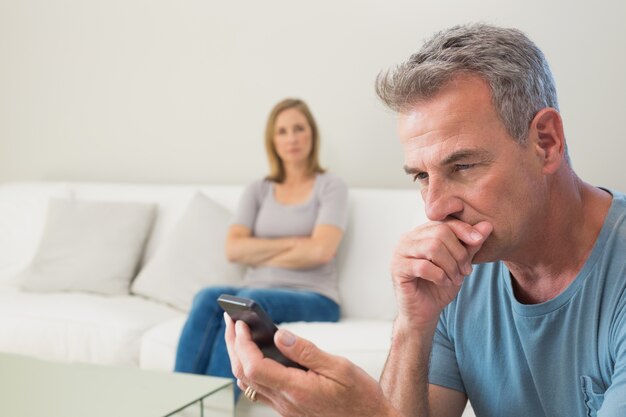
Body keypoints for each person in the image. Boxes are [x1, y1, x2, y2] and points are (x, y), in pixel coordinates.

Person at [224, 23, 626, 416]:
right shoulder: (460, 272)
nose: (434, 209)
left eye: (463, 165)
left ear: (546, 142)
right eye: (421, 176)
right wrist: (412, 328)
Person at [174, 98, 349, 393]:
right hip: (252, 291)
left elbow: (321, 251)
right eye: (282, 131)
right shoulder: (258, 189)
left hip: (315, 297)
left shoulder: (331, 186)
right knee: (208, 297)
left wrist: (261, 247)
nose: (291, 138)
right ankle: (176, 401)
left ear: (312, 135)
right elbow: (233, 250)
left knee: (247, 300)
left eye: (298, 129)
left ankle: (216, 410)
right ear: (272, 140)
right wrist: (294, 243)